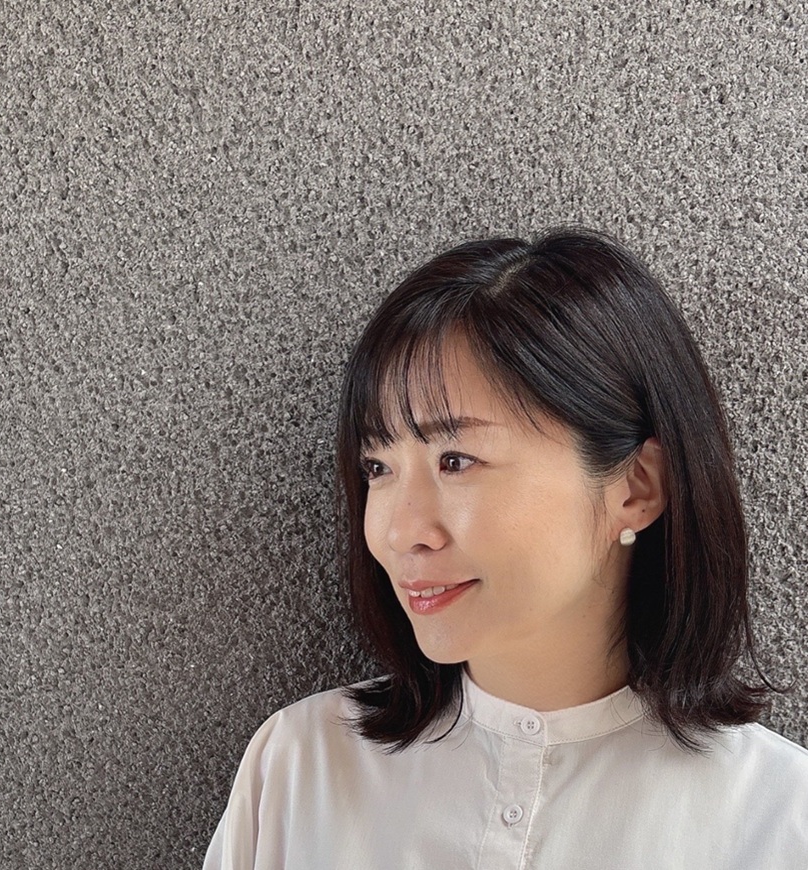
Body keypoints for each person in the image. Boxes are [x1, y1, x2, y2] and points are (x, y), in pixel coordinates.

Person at [202, 227, 808, 869]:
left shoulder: (778, 820)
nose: (401, 531)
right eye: (378, 468)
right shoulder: (301, 768)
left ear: (636, 488)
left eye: (456, 460)